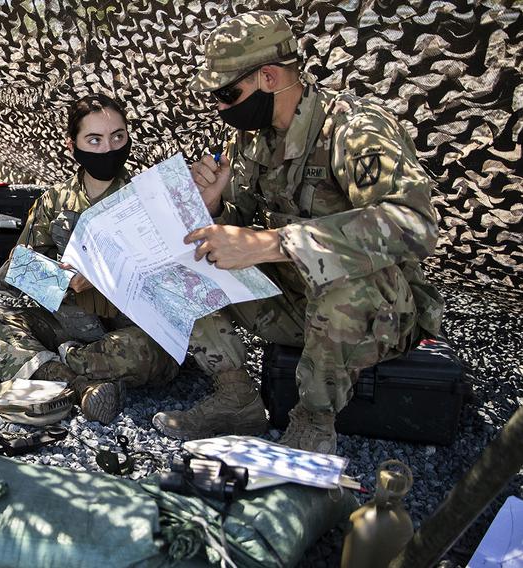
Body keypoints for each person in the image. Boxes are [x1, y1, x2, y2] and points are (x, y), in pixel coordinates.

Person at [152, 11, 444, 453]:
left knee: (343, 280)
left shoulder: (353, 128)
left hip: (377, 313)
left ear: (269, 77)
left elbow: (413, 224)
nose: (220, 107)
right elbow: (241, 229)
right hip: (294, 303)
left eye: (227, 93)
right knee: (188, 258)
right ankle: (236, 398)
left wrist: (273, 243)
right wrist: (215, 207)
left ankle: (313, 422)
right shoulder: (251, 138)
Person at [0, 94, 179, 424]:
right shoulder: (55, 200)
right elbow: (17, 269)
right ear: (73, 145)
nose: (108, 148)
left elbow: (176, 282)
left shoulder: (147, 196)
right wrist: (64, 279)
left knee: (157, 350)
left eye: (117, 137)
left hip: (127, 333)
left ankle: (24, 364)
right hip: (67, 324)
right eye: (94, 140)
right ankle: (79, 387)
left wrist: (111, 273)